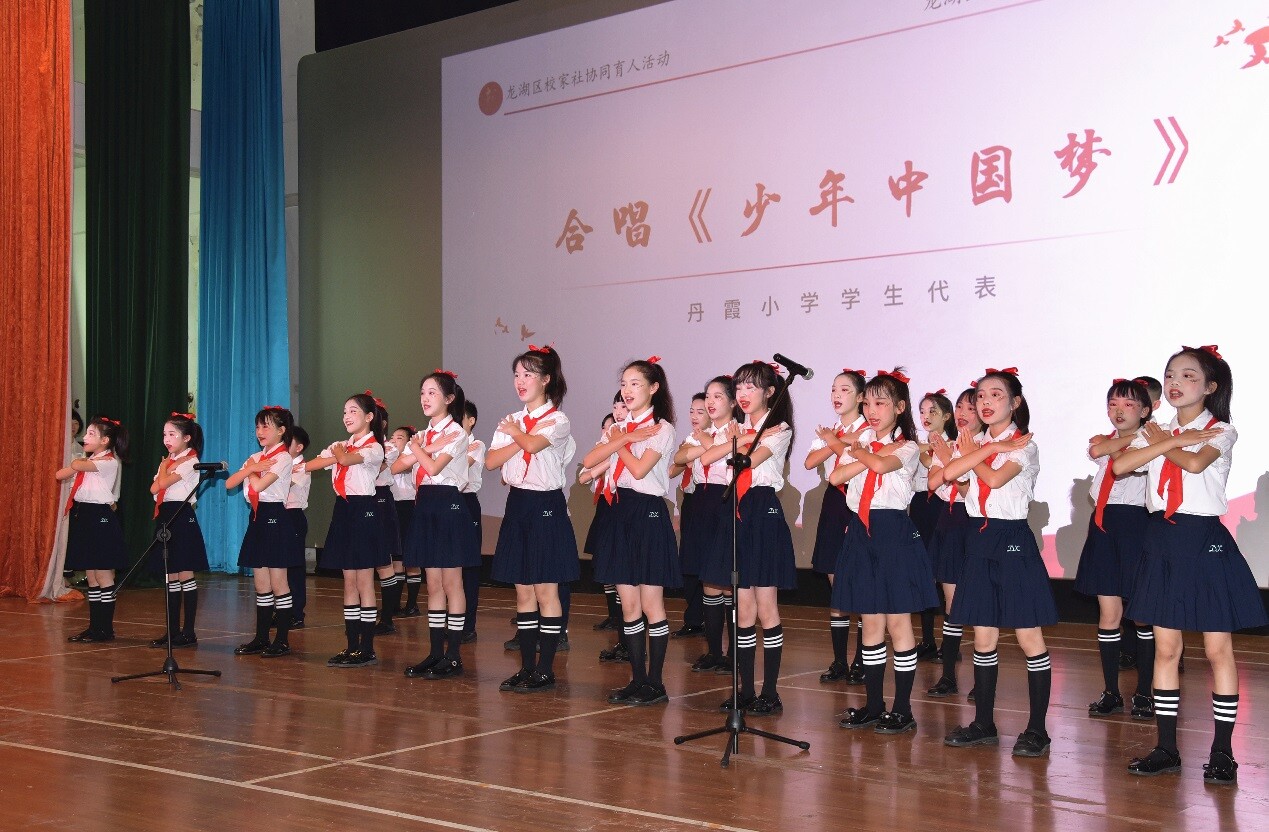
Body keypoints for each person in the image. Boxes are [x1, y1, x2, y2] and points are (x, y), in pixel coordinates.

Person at [1120, 346, 1266, 784]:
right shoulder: (1160, 430)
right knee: (1166, 649)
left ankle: (1223, 752)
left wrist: (1165, 443)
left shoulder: (1220, 430)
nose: (1175, 383)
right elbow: (1122, 465)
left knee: (1218, 650)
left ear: (1210, 386)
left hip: (1203, 542)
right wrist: (1169, 440)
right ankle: (1166, 748)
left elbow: (1196, 462)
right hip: (1161, 541)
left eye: (1187, 375)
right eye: (1169, 375)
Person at [939, 368, 1057, 758]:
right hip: (979, 538)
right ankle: (983, 724)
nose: (985, 403)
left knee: (1028, 636)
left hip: (1011, 539)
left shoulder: (1023, 445)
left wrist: (981, 452)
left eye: (995, 395)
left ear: (1015, 402)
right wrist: (983, 449)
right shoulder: (977, 443)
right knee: (983, 637)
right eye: (980, 396)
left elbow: (992, 479)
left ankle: (1037, 729)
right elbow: (948, 474)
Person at [831, 370, 938, 735]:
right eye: (868, 403)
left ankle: (903, 709)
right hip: (861, 532)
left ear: (900, 407)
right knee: (871, 622)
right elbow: (836, 477)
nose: (872, 411)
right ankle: (874, 705)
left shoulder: (908, 447)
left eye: (881, 403)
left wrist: (861, 452)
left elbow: (878, 465)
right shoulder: (865, 442)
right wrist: (864, 451)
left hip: (893, 533)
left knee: (898, 622)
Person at [698, 361, 797, 716]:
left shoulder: (780, 429)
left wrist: (737, 441)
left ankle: (770, 692)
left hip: (762, 509)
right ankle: (745, 691)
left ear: (770, 392)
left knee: (766, 605)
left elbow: (750, 460)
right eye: (739, 387)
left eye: (751, 387)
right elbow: (708, 456)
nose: (742, 394)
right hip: (736, 509)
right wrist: (734, 438)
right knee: (742, 608)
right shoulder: (740, 429)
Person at [587, 357, 679, 706]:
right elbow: (590, 462)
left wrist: (620, 441)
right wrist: (621, 436)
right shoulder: (619, 427)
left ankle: (655, 683)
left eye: (635, 383)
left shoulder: (662, 428)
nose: (627, 390)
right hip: (617, 510)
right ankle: (637, 679)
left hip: (647, 512)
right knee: (628, 605)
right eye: (624, 384)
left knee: (651, 603)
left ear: (653, 388)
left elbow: (640, 470)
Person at [487, 346, 579, 692]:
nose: (520, 381)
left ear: (546, 379)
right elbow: (492, 462)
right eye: (517, 375)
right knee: (523, 590)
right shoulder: (512, 421)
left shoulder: (557, 420)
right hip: (518, 503)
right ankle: (526, 668)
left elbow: (533, 445)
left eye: (528, 374)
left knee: (545, 589)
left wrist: (515, 435)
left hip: (546, 505)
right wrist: (517, 436)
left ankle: (545, 669)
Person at [1075, 380, 1155, 720]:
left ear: (1146, 410)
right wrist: (1116, 442)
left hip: (1138, 527)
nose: (1119, 410)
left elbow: (1126, 461)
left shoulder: (1153, 442)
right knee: (1109, 615)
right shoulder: (1105, 441)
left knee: (1142, 614)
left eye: (1128, 404)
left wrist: (1128, 441)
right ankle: (1111, 691)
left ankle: (1145, 692)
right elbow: (1096, 451)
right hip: (1104, 526)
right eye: (1113, 404)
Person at [398, 371, 473, 679]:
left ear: (449, 398)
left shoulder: (455, 432)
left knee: (452, 582)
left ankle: (453, 656)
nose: (425, 398)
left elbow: (431, 467)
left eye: (432, 393)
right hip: (426, 504)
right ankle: (434, 653)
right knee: (433, 584)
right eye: (422, 393)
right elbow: (397, 466)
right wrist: (424, 446)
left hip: (448, 504)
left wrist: (418, 448)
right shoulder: (425, 436)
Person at [306, 394, 387, 668]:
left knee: (364, 581)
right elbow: (312, 465)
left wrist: (337, 453)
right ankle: (352, 645)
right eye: (344, 412)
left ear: (369, 417)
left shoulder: (374, 448)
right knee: (349, 581)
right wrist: (326, 457)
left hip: (363, 510)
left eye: (353, 411)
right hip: (343, 509)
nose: (346, 417)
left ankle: (367, 648)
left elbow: (345, 459)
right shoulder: (343, 445)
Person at [804, 370, 867, 683]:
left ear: (860, 396)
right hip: (833, 502)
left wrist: (835, 441)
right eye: (833, 389)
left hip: (858, 501)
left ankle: (862, 660)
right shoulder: (832, 431)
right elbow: (809, 462)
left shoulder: (869, 429)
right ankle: (840, 660)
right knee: (836, 583)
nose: (837, 395)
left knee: (860, 584)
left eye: (844, 389)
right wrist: (835, 441)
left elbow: (859, 456)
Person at [226, 406, 298, 659]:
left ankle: (282, 640)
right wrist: (250, 468)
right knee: (261, 584)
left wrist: (251, 470)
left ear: (281, 430)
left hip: (275, 517)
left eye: (266, 426)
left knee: (279, 582)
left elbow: (258, 485)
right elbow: (229, 483)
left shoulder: (283, 458)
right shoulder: (255, 458)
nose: (260, 431)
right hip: (257, 518)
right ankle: (261, 637)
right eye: (258, 426)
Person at [59, 416, 129, 643]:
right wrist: (76, 462)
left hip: (101, 517)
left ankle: (105, 629)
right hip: (85, 515)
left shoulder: (109, 462)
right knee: (91, 577)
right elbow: (59, 475)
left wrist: (76, 462)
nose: (85, 437)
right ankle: (94, 627)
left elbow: (76, 466)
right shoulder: (90, 460)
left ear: (105, 440)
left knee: (103, 575)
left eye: (91, 434)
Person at [147, 411, 209, 647]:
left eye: (172, 434)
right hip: (166, 515)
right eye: (165, 434)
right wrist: (165, 466)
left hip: (181, 515)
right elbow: (154, 489)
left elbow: (162, 483)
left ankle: (188, 631)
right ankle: (172, 631)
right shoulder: (170, 462)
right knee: (170, 574)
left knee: (184, 573)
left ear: (187, 438)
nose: (167, 439)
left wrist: (164, 466)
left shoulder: (191, 461)